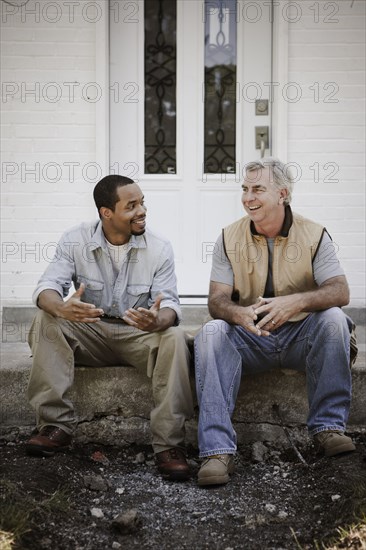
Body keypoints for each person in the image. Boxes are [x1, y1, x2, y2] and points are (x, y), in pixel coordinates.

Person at [194, 157, 357, 487]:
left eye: (257, 189)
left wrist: (297, 301)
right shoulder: (228, 236)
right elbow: (216, 300)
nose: (248, 198)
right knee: (211, 332)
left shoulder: (314, 234)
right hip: (251, 337)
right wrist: (235, 313)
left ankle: (328, 427)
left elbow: (340, 290)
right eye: (244, 189)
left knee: (335, 320)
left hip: (301, 335)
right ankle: (216, 451)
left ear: (282, 193)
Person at [26, 175, 194, 481]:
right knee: (45, 318)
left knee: (173, 336)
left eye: (142, 202)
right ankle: (55, 426)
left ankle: (169, 445)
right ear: (107, 213)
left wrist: (158, 320)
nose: (142, 210)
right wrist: (61, 306)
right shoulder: (75, 239)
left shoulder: (159, 247)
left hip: (137, 335)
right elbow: (47, 287)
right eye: (131, 206)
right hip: (90, 330)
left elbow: (169, 303)